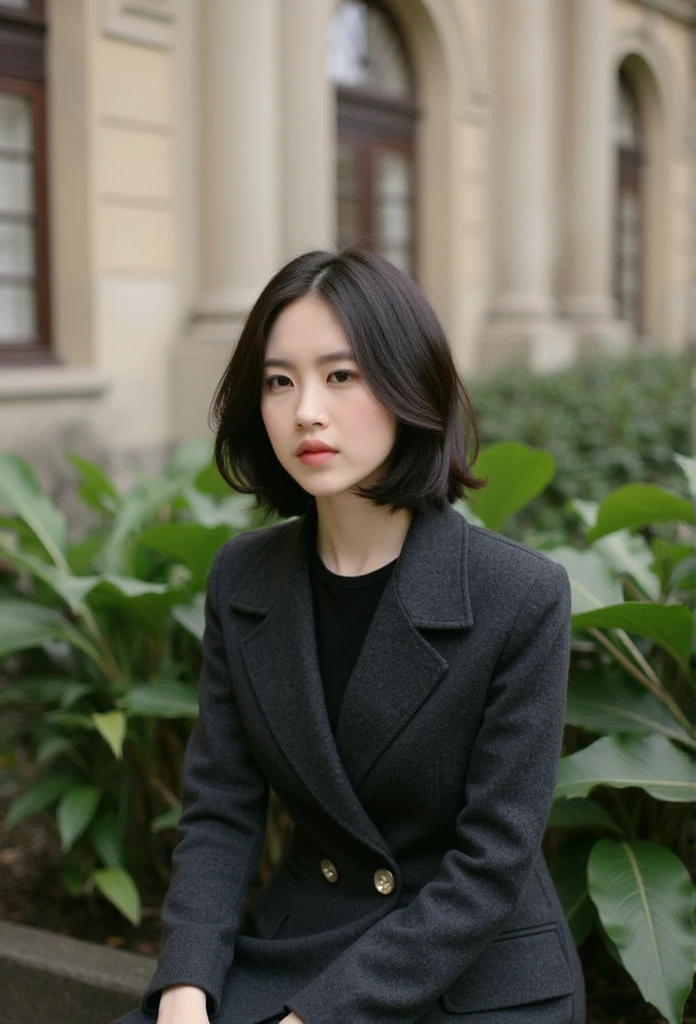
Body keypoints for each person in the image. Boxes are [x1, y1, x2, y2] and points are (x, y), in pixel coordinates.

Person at [113, 248, 585, 1024]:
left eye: (341, 375)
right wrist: (186, 987)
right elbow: (222, 809)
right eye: (279, 380)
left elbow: (491, 867)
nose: (306, 411)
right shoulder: (244, 578)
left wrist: (317, 1019)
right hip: (302, 941)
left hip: (471, 975)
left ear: (409, 384)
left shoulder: (519, 595)